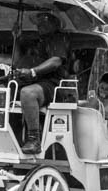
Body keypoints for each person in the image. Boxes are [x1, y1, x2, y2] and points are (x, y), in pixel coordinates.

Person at [12, 11, 71, 154]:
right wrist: (16, 39)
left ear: (55, 23)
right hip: (30, 81)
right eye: (38, 20)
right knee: (1, 91)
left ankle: (34, 139)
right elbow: (16, 62)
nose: (39, 23)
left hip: (51, 83)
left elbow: (56, 61)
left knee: (28, 94)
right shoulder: (36, 41)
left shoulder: (58, 38)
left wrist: (33, 71)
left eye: (44, 20)